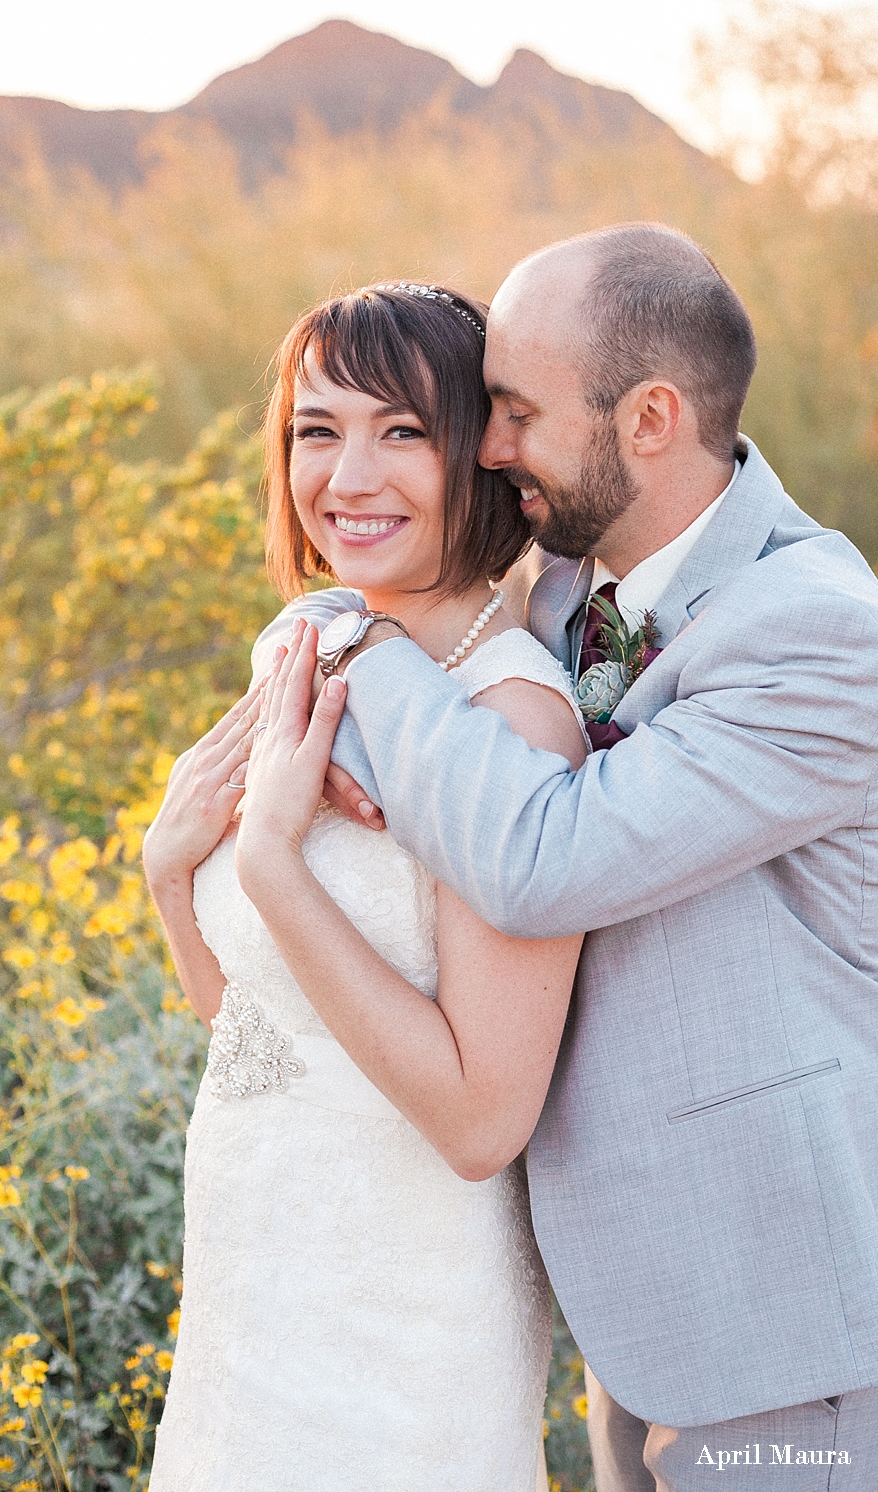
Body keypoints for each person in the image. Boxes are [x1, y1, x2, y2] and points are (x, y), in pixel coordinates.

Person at [262, 225, 878, 1491]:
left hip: (795, 1328)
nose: (486, 449)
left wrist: (367, 648)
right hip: (635, 1302)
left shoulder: (814, 632)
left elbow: (539, 861)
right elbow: (434, 611)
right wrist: (328, 616)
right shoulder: (564, 588)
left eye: (514, 412)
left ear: (646, 418)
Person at [143, 282, 594, 1491]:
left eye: (401, 431)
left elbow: (477, 1120)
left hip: (403, 1334)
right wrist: (168, 880)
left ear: (482, 454)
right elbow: (260, 1033)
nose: (347, 475)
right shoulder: (316, 648)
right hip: (247, 1295)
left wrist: (266, 867)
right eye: (314, 427)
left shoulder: (510, 723)